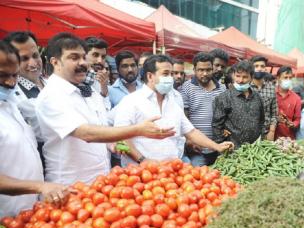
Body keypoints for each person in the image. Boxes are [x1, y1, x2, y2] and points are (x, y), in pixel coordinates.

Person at [35, 33, 175, 185]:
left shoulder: (91, 92)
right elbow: (86, 133)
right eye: (74, 58)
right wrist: (138, 130)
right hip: (69, 184)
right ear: (55, 62)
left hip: (101, 179)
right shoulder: (51, 95)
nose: (83, 63)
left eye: (83, 57)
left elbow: (101, 126)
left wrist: (112, 144)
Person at [113, 54, 233, 163]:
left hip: (172, 170)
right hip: (140, 174)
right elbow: (120, 138)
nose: (171, 78)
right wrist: (143, 160)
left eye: (171, 74)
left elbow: (191, 132)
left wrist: (217, 146)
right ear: (150, 76)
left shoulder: (173, 101)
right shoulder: (131, 101)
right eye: (166, 74)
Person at [0, 40, 69, 216]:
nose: (10, 82)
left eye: (15, 75)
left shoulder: (11, 105)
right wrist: (39, 186)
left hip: (28, 210)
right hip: (5, 215)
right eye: (2, 76)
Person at [180, 52, 226, 166]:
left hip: (218, 146)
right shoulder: (186, 87)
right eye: (200, 70)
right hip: (197, 148)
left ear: (212, 69)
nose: (205, 73)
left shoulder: (222, 88)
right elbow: (183, 117)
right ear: (194, 70)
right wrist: (189, 140)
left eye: (208, 70)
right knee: (199, 177)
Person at [4, 31, 46, 142]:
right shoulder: (10, 95)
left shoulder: (52, 83)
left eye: (35, 55)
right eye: (24, 59)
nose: (33, 63)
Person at [212, 60, 265, 148]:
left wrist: (262, 139)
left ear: (251, 78)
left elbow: (261, 121)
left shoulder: (257, 97)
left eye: (245, 77)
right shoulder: (224, 97)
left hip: (254, 149)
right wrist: (222, 147)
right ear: (233, 75)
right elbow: (216, 126)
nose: (240, 80)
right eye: (238, 76)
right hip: (232, 150)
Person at [250, 55, 277, 141]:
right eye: (256, 66)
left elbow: (274, 113)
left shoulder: (271, 88)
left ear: (265, 68)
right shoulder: (246, 88)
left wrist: (272, 132)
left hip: (266, 134)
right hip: (249, 134)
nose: (259, 68)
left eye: (262, 66)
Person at [275, 66, 301, 139]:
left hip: (288, 138)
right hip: (271, 137)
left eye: (290, 78)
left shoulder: (296, 98)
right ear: (278, 78)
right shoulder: (271, 94)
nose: (288, 80)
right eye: (285, 77)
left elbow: (297, 119)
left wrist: (293, 124)